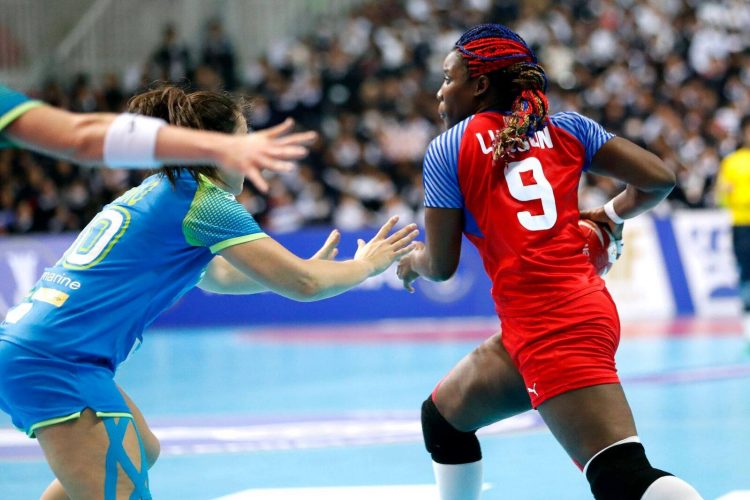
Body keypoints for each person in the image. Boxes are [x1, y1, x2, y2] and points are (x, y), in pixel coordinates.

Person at [0, 85, 419, 500]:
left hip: (37, 347)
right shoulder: (208, 201)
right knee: (122, 486)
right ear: (220, 146)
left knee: (142, 450)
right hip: (56, 360)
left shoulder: (161, 189)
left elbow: (220, 276)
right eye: (242, 136)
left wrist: (309, 268)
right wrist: (365, 265)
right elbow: (303, 286)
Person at [396, 24, 702, 500]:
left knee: (620, 476)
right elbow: (659, 179)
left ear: (479, 85)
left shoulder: (448, 149)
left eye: (448, 78)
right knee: (444, 418)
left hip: (552, 324)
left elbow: (440, 265)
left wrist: (410, 260)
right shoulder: (567, 128)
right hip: (554, 315)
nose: (439, 90)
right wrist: (610, 215)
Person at [0, 83, 316, 192]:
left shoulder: (163, 191)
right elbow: (82, 137)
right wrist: (225, 146)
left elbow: (85, 127)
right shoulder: (201, 201)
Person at [716, 115, 750, 341]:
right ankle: (748, 324)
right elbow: (720, 197)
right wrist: (726, 194)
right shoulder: (732, 161)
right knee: (746, 272)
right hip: (741, 224)